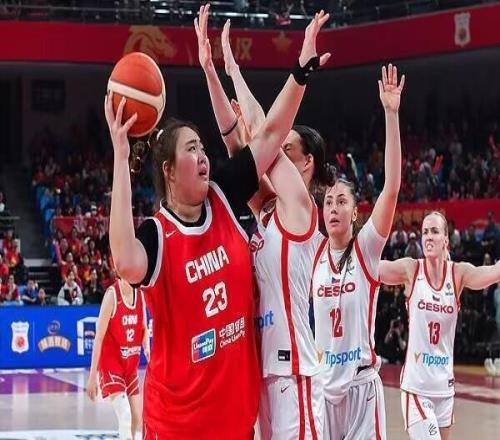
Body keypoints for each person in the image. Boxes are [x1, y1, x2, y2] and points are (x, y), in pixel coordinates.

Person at [105, 5, 329, 438]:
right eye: (191, 149)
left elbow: (267, 135)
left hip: (238, 420)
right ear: (169, 170)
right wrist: (120, 155)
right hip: (177, 425)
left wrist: (301, 70)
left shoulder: (224, 194)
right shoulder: (158, 234)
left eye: (203, 147)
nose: (203, 155)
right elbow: (125, 262)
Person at [195, 7, 331, 438]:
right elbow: (238, 148)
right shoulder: (266, 210)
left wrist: (234, 70)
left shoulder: (301, 211)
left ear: (306, 164)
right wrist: (212, 73)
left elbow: (261, 132)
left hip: (295, 373)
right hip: (264, 372)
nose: (276, 153)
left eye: (287, 150)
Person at [310, 64, 405, 440]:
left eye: (341, 201)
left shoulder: (365, 249)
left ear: (354, 212)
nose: (333, 208)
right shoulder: (313, 253)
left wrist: (391, 114)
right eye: (328, 201)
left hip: (362, 389)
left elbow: (391, 188)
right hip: (323, 390)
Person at [379, 211, 500, 440]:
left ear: (446, 239)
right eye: (425, 232)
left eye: (434, 231)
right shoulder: (411, 269)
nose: (428, 236)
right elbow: (371, 267)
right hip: (417, 388)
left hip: (444, 388)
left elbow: (492, 273)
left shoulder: (458, 273)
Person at [86, 278, 149, 440]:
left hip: (130, 367)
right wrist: (92, 377)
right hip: (112, 366)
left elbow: (144, 328)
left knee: (137, 418)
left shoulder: (140, 294)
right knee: (125, 415)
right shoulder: (112, 296)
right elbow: (99, 337)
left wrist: (147, 349)